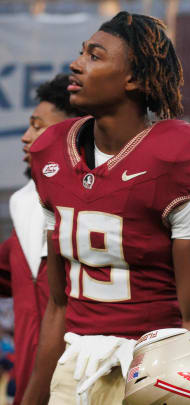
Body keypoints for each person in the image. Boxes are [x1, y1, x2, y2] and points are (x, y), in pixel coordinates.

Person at [22, 12, 190, 405]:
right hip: (75, 367)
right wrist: (35, 395)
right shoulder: (51, 151)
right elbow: (58, 304)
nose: (76, 63)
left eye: (95, 56)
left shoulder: (179, 155)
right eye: (82, 52)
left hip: (153, 367)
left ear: (133, 78)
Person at [0, 74, 82, 405]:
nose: (25, 137)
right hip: (29, 387)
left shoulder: (96, 205)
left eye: (38, 126)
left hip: (77, 384)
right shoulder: (23, 204)